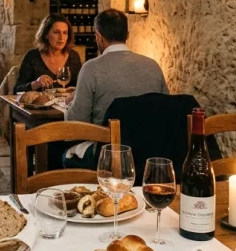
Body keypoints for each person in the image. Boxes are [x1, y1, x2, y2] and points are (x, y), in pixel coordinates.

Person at [64, 9, 169, 168]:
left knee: (63, 154)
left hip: (108, 155)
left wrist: (70, 103)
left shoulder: (91, 68)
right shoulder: (153, 66)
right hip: (150, 152)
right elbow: (165, 108)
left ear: (98, 36)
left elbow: (76, 123)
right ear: (127, 35)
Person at [14, 13, 82, 93]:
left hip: (66, 101)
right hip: (40, 101)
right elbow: (16, 90)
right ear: (46, 34)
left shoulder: (73, 56)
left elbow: (81, 87)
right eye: (56, 32)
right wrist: (36, 84)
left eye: (65, 33)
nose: (61, 37)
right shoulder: (32, 56)